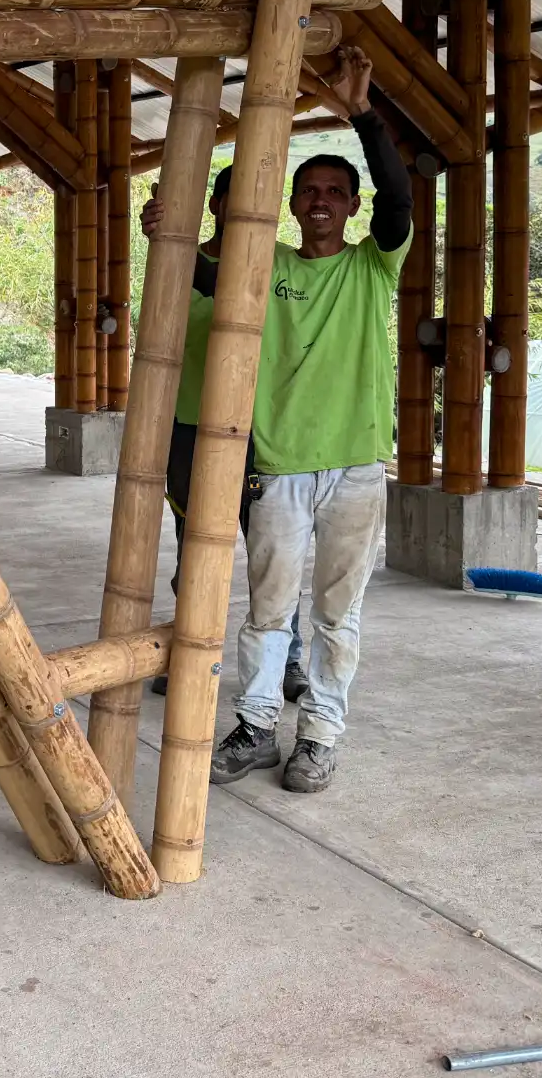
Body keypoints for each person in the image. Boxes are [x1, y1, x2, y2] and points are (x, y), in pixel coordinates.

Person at [197, 47, 413, 794]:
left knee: (336, 614)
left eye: (335, 192)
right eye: (310, 191)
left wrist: (363, 113)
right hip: (280, 464)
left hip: (356, 467)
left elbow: (399, 198)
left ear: (352, 208)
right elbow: (202, 271)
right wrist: (164, 232)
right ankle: (258, 728)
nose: (321, 201)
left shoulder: (374, 265)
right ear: (292, 205)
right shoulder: (268, 267)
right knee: (267, 611)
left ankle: (319, 735)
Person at [140, 166, 305, 702]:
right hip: (190, 428)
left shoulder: (282, 265)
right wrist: (166, 239)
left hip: (262, 432)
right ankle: (188, 651)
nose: (247, 211)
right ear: (214, 205)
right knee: (194, 548)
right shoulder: (178, 259)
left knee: (274, 552)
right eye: (235, 200)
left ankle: (288, 660)